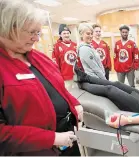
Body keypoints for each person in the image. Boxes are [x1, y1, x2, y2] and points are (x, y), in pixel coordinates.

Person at [0, 0, 83, 155]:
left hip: (67, 138)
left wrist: (73, 102)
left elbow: (57, 88)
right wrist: (51, 138)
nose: (37, 39)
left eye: (39, 33)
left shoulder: (38, 57)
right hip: (37, 150)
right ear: (9, 28)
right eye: (32, 32)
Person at [52, 24, 77, 90]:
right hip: (65, 76)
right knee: (68, 93)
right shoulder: (56, 46)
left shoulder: (75, 45)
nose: (66, 35)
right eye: (64, 33)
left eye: (68, 33)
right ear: (60, 35)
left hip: (76, 75)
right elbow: (56, 63)